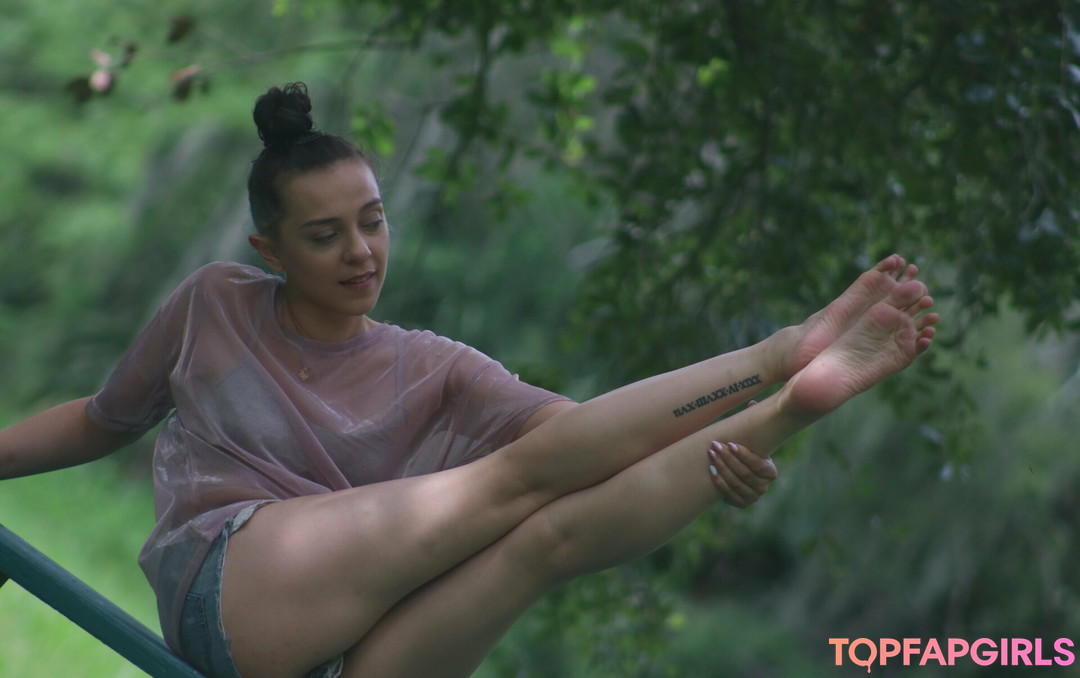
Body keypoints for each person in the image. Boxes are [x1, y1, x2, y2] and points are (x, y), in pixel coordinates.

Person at [0, 83, 937, 678]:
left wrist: (724, 454)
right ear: (269, 249)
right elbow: (101, 420)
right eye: (324, 235)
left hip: (356, 662)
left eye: (373, 221)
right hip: (235, 596)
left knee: (548, 537)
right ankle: (776, 355)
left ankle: (783, 409)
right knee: (511, 485)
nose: (360, 251)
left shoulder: (435, 365)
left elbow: (592, 445)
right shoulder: (216, 303)